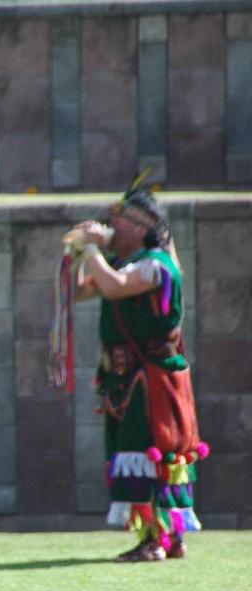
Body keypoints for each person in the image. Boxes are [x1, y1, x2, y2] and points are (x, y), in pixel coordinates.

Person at [73, 180, 208, 562]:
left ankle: (158, 540)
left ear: (141, 228)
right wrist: (79, 253)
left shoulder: (156, 265)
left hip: (152, 377)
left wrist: (94, 249)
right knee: (135, 452)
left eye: (120, 220)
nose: (112, 225)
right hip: (123, 375)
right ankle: (163, 537)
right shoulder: (123, 264)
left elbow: (115, 287)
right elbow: (79, 291)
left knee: (151, 452)